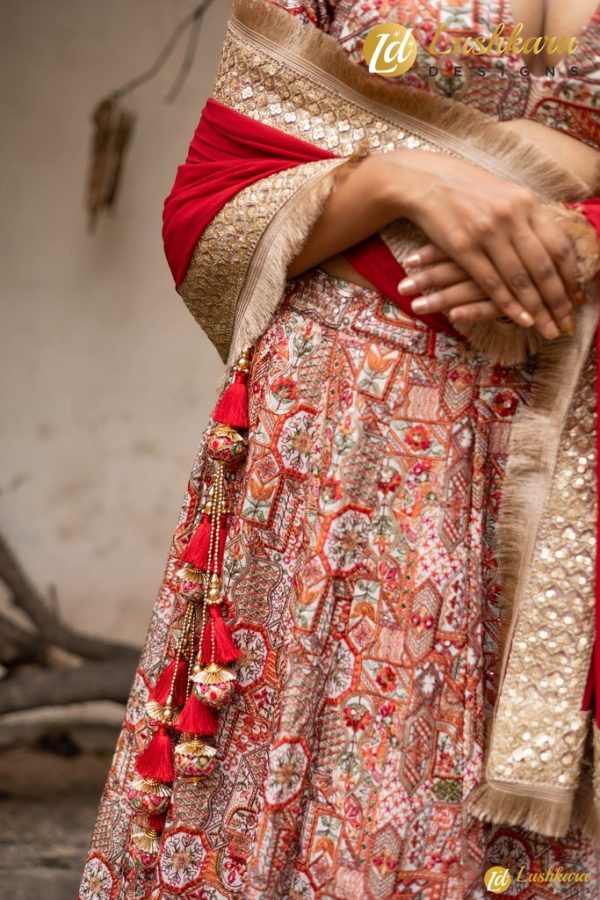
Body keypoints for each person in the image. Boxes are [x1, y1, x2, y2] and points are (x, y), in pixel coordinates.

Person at [80, 1, 600, 897]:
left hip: (561, 441)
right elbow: (212, 202)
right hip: (346, 438)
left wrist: (587, 235)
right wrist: (403, 178)